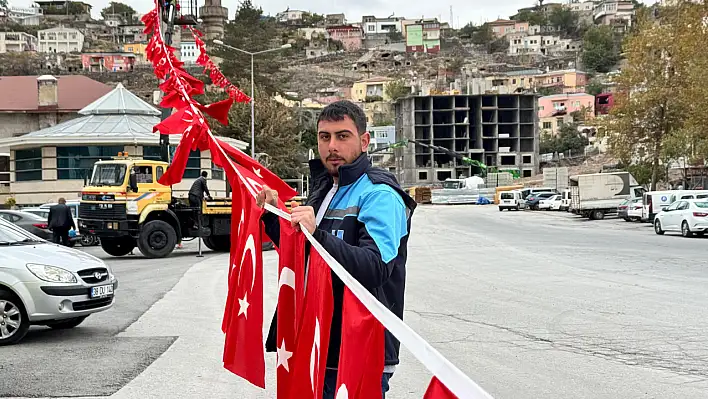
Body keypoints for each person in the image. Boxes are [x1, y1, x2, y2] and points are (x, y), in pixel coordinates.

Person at [257, 100, 417, 398]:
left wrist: (317, 233)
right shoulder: (323, 188)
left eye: (342, 136)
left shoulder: (380, 194)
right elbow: (304, 253)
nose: (332, 146)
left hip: (358, 349)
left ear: (364, 141)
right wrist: (271, 212)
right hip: (316, 341)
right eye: (324, 137)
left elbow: (376, 269)